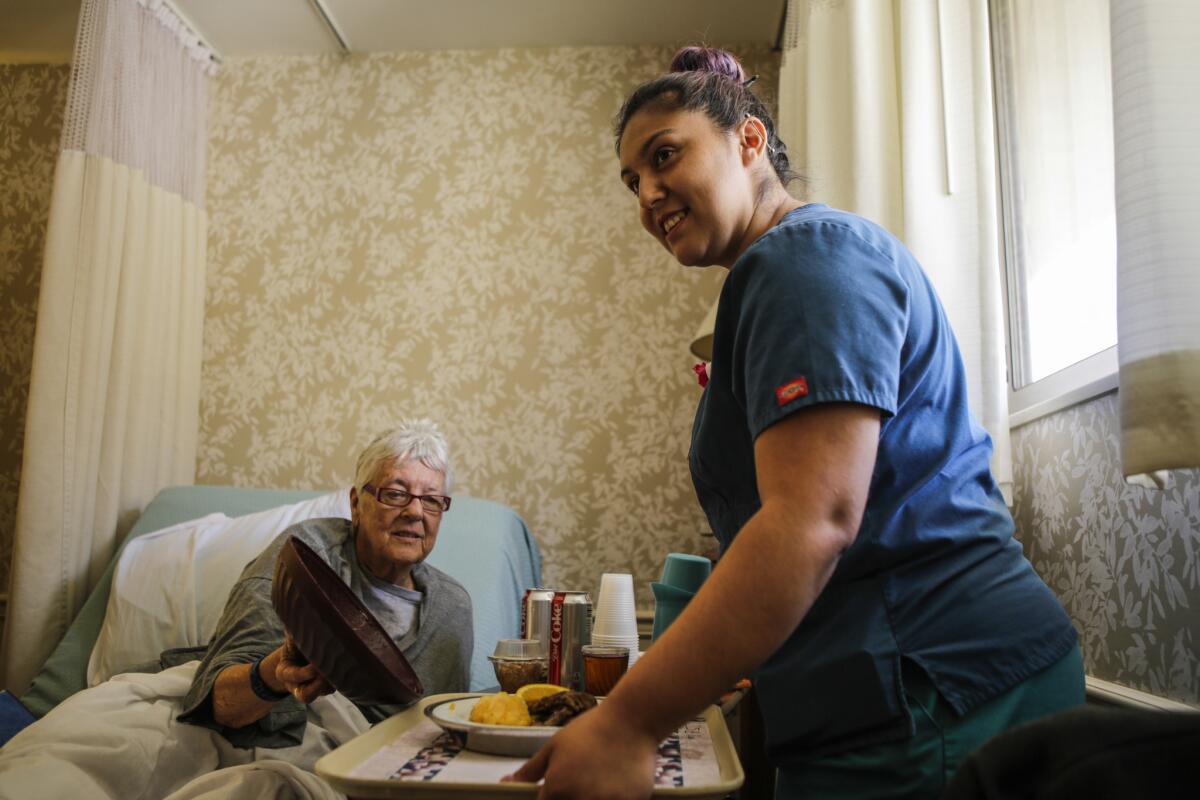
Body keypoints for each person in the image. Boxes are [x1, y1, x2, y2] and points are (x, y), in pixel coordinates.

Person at [507, 47, 1083, 799]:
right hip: (882, 698)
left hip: (937, 691)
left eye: (664, 155)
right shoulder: (775, 277)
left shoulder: (805, 260)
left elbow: (811, 523)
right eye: (632, 181)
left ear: (749, 142)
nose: (647, 193)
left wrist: (628, 723)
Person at [178, 419, 473, 748]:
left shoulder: (453, 607)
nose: (415, 511)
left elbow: (447, 737)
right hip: (254, 746)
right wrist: (276, 674)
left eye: (432, 500)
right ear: (357, 504)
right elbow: (216, 700)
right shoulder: (305, 558)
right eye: (395, 494)